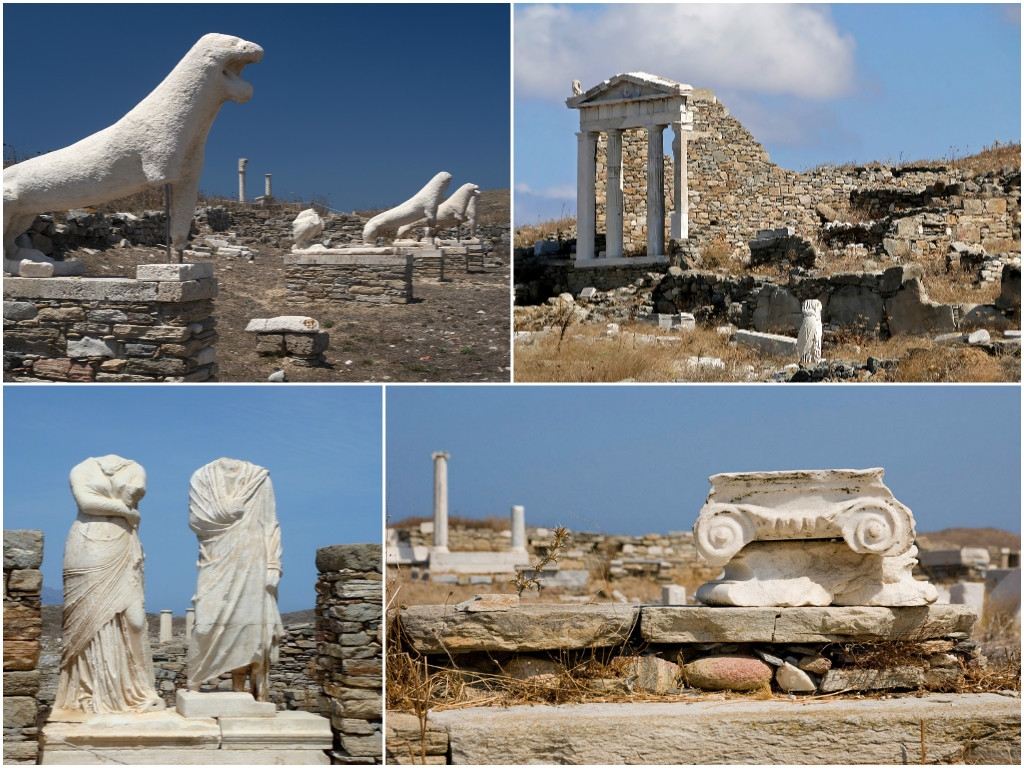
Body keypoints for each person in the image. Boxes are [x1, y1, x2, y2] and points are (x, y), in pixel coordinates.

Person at [55, 455, 164, 714]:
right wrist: (126, 511)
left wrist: (125, 508)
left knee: (135, 621)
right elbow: (86, 502)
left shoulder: (136, 467)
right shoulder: (81, 467)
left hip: (123, 543)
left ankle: (136, 690)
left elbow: (131, 494)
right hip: (87, 543)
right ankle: (89, 694)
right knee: (90, 619)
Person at [187, 458, 283, 700]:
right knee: (205, 624)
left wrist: (273, 563)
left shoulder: (259, 478)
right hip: (216, 556)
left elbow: (271, 523)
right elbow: (196, 520)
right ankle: (195, 681)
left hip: (254, 556)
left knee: (249, 627)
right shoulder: (202, 477)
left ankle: (249, 691)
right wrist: (225, 511)